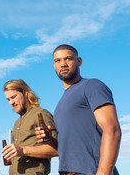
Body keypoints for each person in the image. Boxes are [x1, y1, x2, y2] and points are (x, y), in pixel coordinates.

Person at [40, 44, 121, 175]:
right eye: (58, 60)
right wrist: (50, 139)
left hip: (92, 171)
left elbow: (112, 129)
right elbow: (66, 148)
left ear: (79, 61)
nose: (63, 64)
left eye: (68, 59)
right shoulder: (61, 102)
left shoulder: (92, 85)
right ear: (54, 65)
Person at [2, 79, 58, 175]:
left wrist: (22, 150)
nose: (11, 102)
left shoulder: (41, 114)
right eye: (8, 99)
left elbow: (56, 150)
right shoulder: (16, 123)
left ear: (25, 93)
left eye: (13, 97)